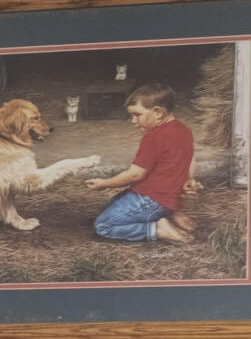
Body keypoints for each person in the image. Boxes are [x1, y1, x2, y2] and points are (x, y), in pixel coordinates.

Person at [85, 85, 201, 243]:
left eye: (137, 115)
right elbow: (190, 158)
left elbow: (135, 174)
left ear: (158, 112)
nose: (133, 121)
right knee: (107, 209)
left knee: (104, 225)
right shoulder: (183, 130)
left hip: (150, 198)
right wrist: (189, 178)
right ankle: (170, 213)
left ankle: (157, 229)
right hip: (167, 198)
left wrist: (104, 184)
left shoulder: (154, 137)